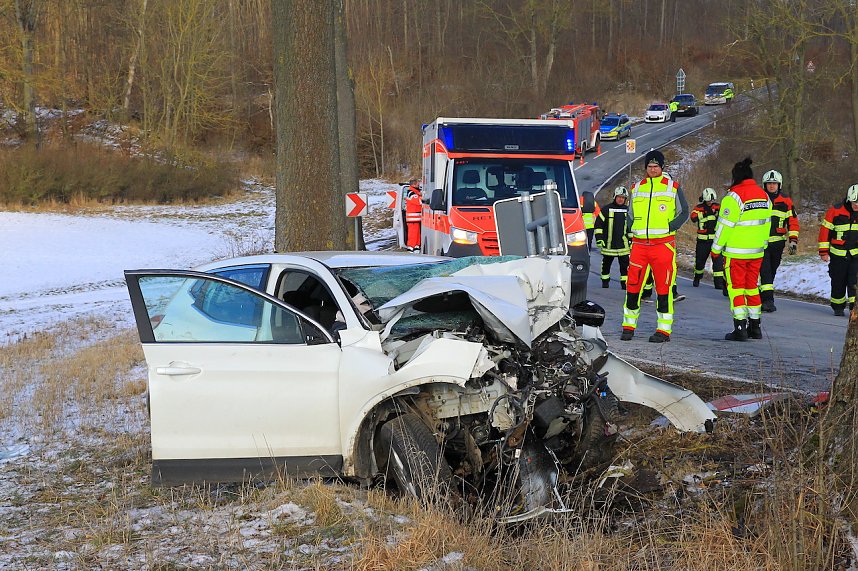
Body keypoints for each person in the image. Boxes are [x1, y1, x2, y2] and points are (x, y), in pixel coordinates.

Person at [620, 149, 689, 343]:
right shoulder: (637, 188)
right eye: (649, 166)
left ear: (662, 167)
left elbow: (684, 212)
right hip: (639, 246)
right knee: (633, 287)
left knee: (663, 288)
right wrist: (630, 227)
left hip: (663, 246)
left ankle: (663, 330)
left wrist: (670, 227)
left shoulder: (673, 187)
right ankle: (628, 326)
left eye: (656, 166)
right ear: (645, 168)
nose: (652, 169)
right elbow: (630, 213)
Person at [711, 157, 772, 341]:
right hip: (757, 252)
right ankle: (755, 327)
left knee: (736, 289)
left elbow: (724, 227)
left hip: (735, 253)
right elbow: (766, 224)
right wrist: (762, 245)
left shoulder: (733, 197)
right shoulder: (764, 196)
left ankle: (740, 328)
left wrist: (715, 249)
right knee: (752, 288)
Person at [759, 170, 800, 312]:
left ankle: (761, 295)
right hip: (761, 243)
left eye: (774, 183)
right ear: (765, 185)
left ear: (779, 185)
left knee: (772, 270)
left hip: (778, 243)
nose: (771, 186)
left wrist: (793, 240)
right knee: (765, 271)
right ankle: (768, 301)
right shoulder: (759, 199)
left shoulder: (786, 201)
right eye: (769, 183)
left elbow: (793, 221)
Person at [818, 184, 858, 316]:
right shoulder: (835, 211)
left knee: (855, 281)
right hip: (837, 255)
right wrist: (823, 252)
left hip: (855, 255)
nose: (857, 205)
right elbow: (825, 232)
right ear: (849, 200)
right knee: (838, 281)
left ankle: (854, 308)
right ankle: (838, 306)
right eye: (855, 202)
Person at [690, 187, 726, 291]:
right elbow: (693, 217)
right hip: (703, 240)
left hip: (716, 240)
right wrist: (706, 215)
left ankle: (718, 283)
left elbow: (725, 215)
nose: (711, 202)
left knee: (718, 262)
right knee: (700, 261)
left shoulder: (718, 207)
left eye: (712, 200)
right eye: (709, 200)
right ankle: (697, 278)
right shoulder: (698, 208)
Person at [594, 186, 631, 289]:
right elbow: (598, 225)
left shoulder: (628, 211)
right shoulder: (606, 209)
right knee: (606, 265)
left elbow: (631, 228)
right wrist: (599, 239)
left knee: (625, 267)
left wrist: (631, 240)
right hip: (608, 244)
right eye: (619, 197)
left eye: (623, 198)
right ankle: (605, 283)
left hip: (623, 245)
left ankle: (624, 285)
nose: (620, 199)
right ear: (615, 197)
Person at [404, 181, 423, 251]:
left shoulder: (415, 192)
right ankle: (411, 246)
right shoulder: (411, 193)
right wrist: (423, 197)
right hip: (413, 218)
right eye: (418, 184)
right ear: (413, 184)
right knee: (413, 233)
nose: (419, 186)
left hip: (416, 218)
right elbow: (418, 201)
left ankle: (416, 246)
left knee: (417, 233)